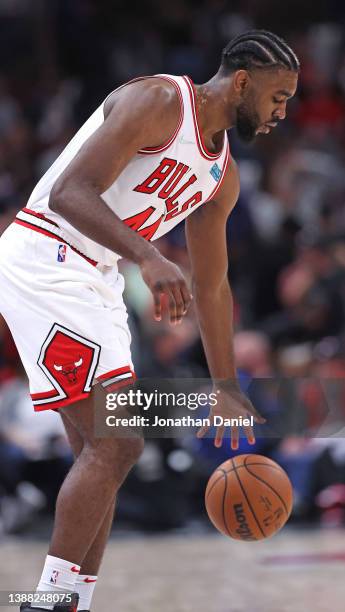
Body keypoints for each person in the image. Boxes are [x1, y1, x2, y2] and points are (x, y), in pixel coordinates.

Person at [0, 30, 299, 612]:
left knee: (102, 449)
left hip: (98, 275)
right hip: (45, 256)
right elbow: (67, 192)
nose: (280, 113)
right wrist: (149, 256)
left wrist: (226, 386)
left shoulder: (222, 178)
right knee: (119, 442)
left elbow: (212, 287)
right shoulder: (160, 101)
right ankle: (46, 603)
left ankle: (70, 602)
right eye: (277, 97)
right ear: (242, 82)